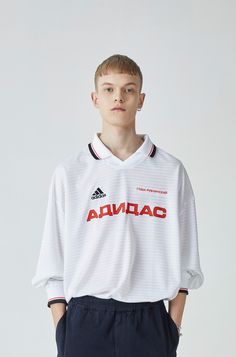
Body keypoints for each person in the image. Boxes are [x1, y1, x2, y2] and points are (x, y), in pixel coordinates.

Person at [31, 54, 204, 357]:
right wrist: (63, 329)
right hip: (85, 321)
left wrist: (171, 328)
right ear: (95, 98)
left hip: (149, 321)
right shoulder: (71, 172)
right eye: (109, 89)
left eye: (129, 89)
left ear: (141, 99)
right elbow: (52, 260)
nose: (118, 97)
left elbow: (186, 259)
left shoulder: (170, 170)